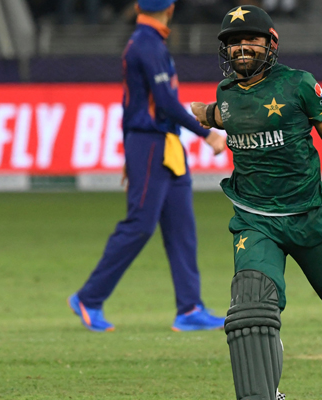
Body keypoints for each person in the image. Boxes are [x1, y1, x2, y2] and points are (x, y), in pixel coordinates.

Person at [190, 5, 322, 399]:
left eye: (251, 39)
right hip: (254, 220)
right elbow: (221, 114)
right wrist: (202, 113)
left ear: (271, 44)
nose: (241, 48)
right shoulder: (226, 93)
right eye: (233, 42)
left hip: (309, 216)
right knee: (249, 309)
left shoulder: (299, 84)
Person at [68, 0, 227, 333]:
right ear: (170, 9)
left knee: (181, 226)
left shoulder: (144, 42)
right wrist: (207, 134)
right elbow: (166, 103)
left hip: (162, 144)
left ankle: (189, 309)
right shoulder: (147, 44)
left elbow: (131, 102)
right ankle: (89, 298)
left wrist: (130, 152)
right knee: (140, 224)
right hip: (151, 143)